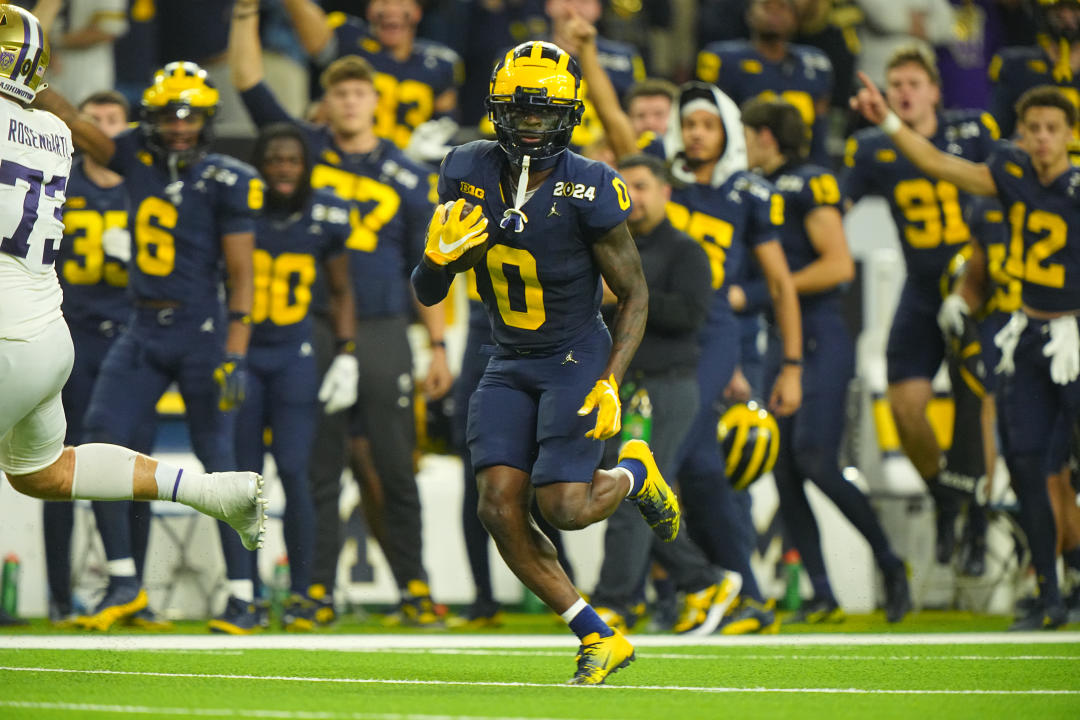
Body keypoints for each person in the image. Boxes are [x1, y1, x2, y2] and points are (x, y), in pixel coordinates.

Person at [411, 41, 679, 683]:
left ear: (569, 113)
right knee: (497, 504)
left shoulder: (590, 185)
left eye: (543, 111)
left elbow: (636, 293)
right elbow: (426, 291)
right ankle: (595, 636)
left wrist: (612, 380)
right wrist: (439, 259)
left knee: (563, 507)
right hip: (506, 357)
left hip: (572, 356)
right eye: (519, 111)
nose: (530, 123)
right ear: (498, 111)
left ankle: (634, 474)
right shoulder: (465, 168)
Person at [0, 4, 266, 614]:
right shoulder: (54, 136)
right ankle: (202, 495)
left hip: (183, 325)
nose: (177, 128)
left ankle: (242, 593)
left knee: (210, 436)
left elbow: (241, 270)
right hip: (52, 332)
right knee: (43, 473)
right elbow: (58, 113)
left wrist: (236, 346)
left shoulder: (216, 176)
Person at [574, 12, 805, 633]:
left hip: (712, 342)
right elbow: (621, 133)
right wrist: (589, 57)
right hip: (660, 342)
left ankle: (707, 590)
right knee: (689, 471)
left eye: (708, 124)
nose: (698, 135)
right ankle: (721, 592)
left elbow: (779, 282)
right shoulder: (661, 180)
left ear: (728, 130)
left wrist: (786, 362)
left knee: (679, 469)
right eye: (689, 124)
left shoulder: (745, 194)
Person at [229, 3, 454, 625]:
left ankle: (414, 586)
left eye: (360, 93)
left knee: (394, 466)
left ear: (375, 101)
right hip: (312, 326)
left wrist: (437, 349)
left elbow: (430, 270)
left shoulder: (410, 177)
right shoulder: (301, 150)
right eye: (340, 93)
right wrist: (247, 13)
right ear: (324, 103)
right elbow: (248, 84)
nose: (350, 103)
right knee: (316, 466)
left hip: (383, 327)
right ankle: (316, 590)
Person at [851, 76, 1077, 629]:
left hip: (1073, 336)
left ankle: (1067, 580)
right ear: (1020, 135)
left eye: (1052, 129)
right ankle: (1049, 595)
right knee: (1028, 466)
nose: (1042, 139)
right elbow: (934, 162)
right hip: (1023, 335)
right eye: (1033, 129)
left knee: (1064, 470)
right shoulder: (1008, 176)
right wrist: (886, 121)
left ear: (1070, 135)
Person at [741, 97, 912, 623]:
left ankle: (889, 562)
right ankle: (821, 590)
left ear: (767, 135)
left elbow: (838, 265)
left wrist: (767, 292)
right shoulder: (753, 187)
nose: (742, 142)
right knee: (784, 468)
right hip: (784, 336)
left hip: (820, 335)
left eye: (747, 133)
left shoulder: (810, 181)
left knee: (815, 459)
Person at [841, 45, 999, 563]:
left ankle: (977, 515)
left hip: (979, 285)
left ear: (935, 90)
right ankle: (944, 496)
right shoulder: (871, 146)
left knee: (976, 406)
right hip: (922, 284)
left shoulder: (974, 131)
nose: (903, 92)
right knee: (906, 406)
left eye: (913, 82)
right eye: (896, 83)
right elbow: (835, 206)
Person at [589, 153, 743, 637]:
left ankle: (614, 602)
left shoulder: (685, 251)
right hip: (627, 388)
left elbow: (692, 316)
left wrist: (631, 296)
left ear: (665, 192)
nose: (632, 197)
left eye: (642, 186)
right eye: (625, 187)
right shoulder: (611, 245)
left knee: (627, 490)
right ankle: (702, 581)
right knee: (635, 492)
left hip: (667, 386)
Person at [44, 90, 161, 629]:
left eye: (116, 121)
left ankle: (133, 590)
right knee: (57, 462)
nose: (105, 132)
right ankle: (60, 594)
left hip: (135, 337)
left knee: (138, 467)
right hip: (72, 335)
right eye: (97, 122)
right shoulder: (57, 179)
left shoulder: (148, 186)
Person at [237, 123, 357, 631]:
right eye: (274, 159)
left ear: (304, 165)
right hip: (244, 355)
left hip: (294, 354)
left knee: (295, 472)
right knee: (240, 481)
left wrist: (347, 351)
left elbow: (341, 289)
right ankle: (245, 593)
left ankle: (308, 593)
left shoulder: (326, 214)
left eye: (292, 160)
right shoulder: (238, 208)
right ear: (260, 164)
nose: (283, 168)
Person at [281, 0, 463, 152]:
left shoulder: (440, 63)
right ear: (369, 10)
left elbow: (446, 128)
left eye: (401, 2)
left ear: (417, 12)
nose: (392, 9)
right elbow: (314, 38)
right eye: (383, 1)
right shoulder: (348, 38)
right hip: (345, 154)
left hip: (406, 166)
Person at [697, 0, 834, 165]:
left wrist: (822, 169)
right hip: (742, 163)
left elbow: (820, 129)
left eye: (783, 7)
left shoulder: (815, 63)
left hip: (801, 166)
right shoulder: (722, 60)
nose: (775, 13)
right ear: (749, 14)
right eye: (767, 6)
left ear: (795, 18)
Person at [989, 0, 1080, 141]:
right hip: (1032, 159)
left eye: (1074, 8)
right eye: (1058, 9)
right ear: (1044, 11)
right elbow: (996, 134)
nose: (1066, 16)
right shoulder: (1016, 65)